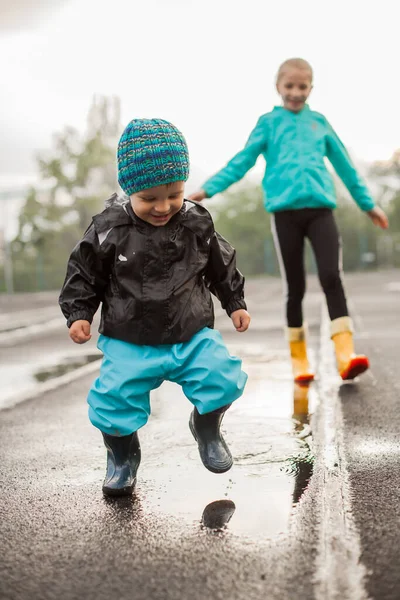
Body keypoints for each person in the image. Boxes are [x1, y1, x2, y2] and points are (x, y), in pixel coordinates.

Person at [59, 118, 250, 497]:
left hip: (190, 333)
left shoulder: (196, 221)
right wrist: (79, 313)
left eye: (174, 194)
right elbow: (84, 272)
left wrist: (234, 302)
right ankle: (122, 456)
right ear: (129, 188)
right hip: (129, 338)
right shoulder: (108, 227)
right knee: (112, 402)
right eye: (150, 198)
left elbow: (220, 263)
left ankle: (207, 427)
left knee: (222, 379)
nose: (164, 207)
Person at [189, 58, 388, 383]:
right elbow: (242, 161)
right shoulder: (269, 123)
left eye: (303, 86)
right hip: (285, 215)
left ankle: (345, 355)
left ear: (311, 87)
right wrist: (208, 189)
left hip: (321, 212)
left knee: (330, 277)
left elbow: (346, 167)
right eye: (290, 86)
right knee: (294, 287)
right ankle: (300, 362)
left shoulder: (319, 122)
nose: (296, 93)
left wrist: (368, 205)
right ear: (278, 87)